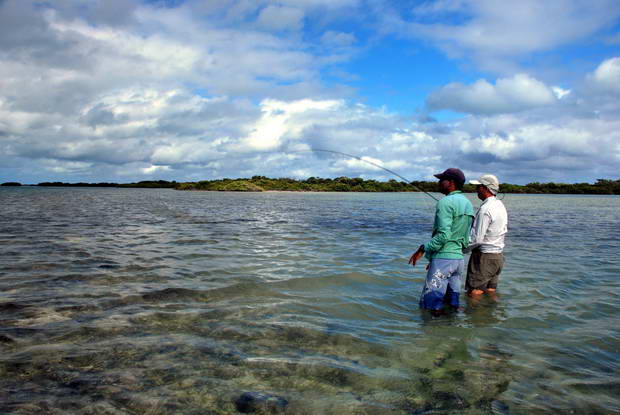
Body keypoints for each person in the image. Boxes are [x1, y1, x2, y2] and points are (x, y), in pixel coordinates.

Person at [409, 168, 474, 315]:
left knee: (431, 305)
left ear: (451, 183)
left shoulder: (444, 203)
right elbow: (466, 237)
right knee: (452, 306)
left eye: (441, 180)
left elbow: (443, 236)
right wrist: (435, 258)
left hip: (444, 259)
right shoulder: (468, 204)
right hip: (458, 260)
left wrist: (423, 248)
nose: (439, 182)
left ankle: (431, 334)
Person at [464, 174, 508, 296]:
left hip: (484, 257)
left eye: (478, 187)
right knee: (490, 292)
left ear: (485, 188)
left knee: (474, 293)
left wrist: (460, 250)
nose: (476, 190)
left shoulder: (485, 209)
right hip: (498, 257)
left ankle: (475, 314)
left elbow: (476, 239)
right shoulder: (500, 205)